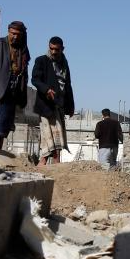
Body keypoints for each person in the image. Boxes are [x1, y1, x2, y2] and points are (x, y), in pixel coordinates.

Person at [0, 21, 31, 157]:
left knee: (2, 130)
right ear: (8, 31)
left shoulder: (22, 50)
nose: (15, 36)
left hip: (11, 94)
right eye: (13, 33)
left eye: (18, 34)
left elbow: (24, 72)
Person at [32, 36, 75, 166]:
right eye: (51, 49)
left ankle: (54, 167)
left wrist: (70, 106)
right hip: (46, 106)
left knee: (57, 140)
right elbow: (35, 79)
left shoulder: (64, 64)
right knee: (49, 138)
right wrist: (46, 90)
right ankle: (46, 166)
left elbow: (68, 85)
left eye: (57, 49)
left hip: (59, 106)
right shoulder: (41, 60)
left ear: (62, 49)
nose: (54, 52)